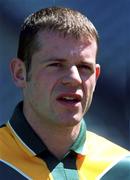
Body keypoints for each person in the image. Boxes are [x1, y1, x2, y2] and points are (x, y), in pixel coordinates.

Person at [0, 7, 130, 180]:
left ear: (96, 76)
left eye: (84, 67)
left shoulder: (122, 167)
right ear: (20, 73)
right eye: (56, 64)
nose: (74, 79)